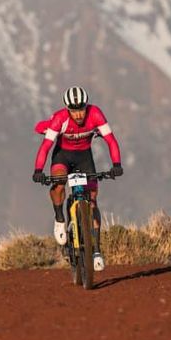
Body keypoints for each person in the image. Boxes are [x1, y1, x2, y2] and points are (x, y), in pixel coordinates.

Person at [31, 85, 123, 271]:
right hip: (62, 156)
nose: (79, 115)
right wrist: (38, 170)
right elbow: (46, 146)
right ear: (68, 109)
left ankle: (96, 250)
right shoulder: (59, 119)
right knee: (59, 183)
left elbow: (111, 140)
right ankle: (59, 219)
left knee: (93, 202)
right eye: (74, 111)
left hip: (84, 158)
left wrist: (116, 165)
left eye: (81, 110)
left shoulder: (95, 114)